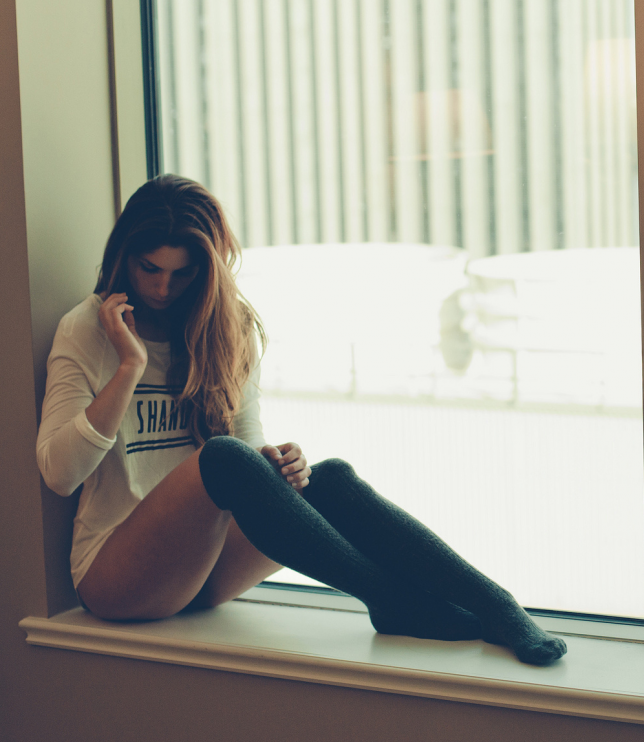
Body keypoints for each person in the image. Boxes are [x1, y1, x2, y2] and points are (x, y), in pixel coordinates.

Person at [35, 175, 566, 666]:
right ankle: (390, 599)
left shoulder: (225, 326)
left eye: (182, 272)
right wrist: (131, 366)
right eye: (149, 268)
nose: (162, 288)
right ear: (124, 257)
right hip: (117, 576)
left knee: (326, 478)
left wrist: (275, 463)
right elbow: (59, 474)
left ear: (209, 267)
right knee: (220, 459)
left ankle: (497, 606)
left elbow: (246, 445)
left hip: (202, 570)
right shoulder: (87, 330)